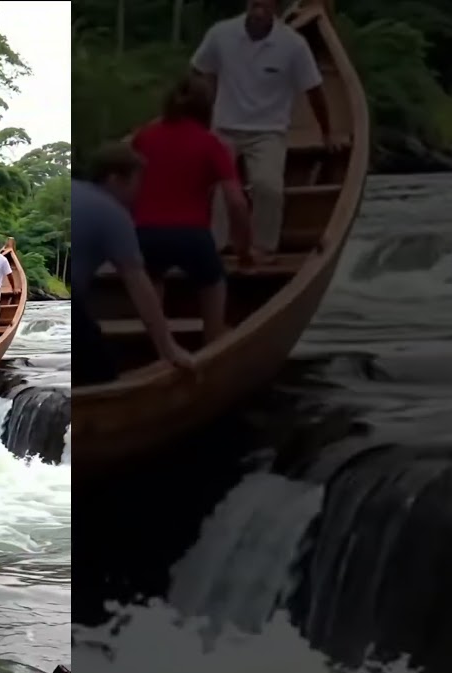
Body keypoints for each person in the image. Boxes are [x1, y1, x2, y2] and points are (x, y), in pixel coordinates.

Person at [191, 0, 337, 264]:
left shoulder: (293, 44)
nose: (258, 10)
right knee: (218, 187)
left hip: (268, 130)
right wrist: (197, 121)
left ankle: (263, 246)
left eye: (265, 5)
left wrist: (326, 132)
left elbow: (314, 90)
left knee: (267, 186)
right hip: (225, 126)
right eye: (254, 4)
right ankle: (215, 246)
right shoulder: (221, 33)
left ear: (275, 9)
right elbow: (199, 72)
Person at [130, 74, 253, 344]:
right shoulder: (210, 143)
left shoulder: (144, 137)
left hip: (146, 234)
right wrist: (243, 251)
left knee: (153, 279)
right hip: (192, 235)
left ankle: (157, 348)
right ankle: (214, 336)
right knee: (213, 281)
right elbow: (236, 202)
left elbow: (121, 182)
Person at [73, 143, 196, 385]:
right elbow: (139, 286)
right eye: (136, 182)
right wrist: (169, 349)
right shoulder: (113, 214)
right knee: (101, 376)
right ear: (114, 179)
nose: (138, 192)